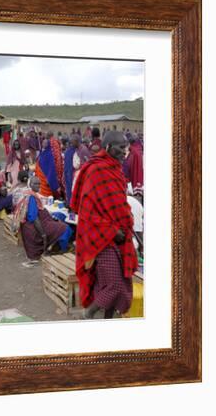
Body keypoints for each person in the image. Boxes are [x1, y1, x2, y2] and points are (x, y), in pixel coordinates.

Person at [71, 131, 138, 319]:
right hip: (101, 238)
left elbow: (117, 202)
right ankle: (89, 313)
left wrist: (125, 223)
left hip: (120, 235)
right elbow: (86, 213)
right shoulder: (96, 170)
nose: (124, 152)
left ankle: (107, 319)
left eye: (126, 148)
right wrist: (111, 230)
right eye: (120, 148)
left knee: (116, 282)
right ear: (108, 148)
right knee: (114, 285)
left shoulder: (115, 169)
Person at [14, 176, 73, 267]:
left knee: (59, 216)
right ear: (30, 184)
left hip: (38, 222)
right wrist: (43, 234)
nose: (38, 186)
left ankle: (55, 245)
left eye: (39, 184)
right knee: (65, 228)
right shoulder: (31, 197)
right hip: (36, 226)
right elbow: (33, 218)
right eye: (35, 184)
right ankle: (62, 249)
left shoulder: (28, 193)